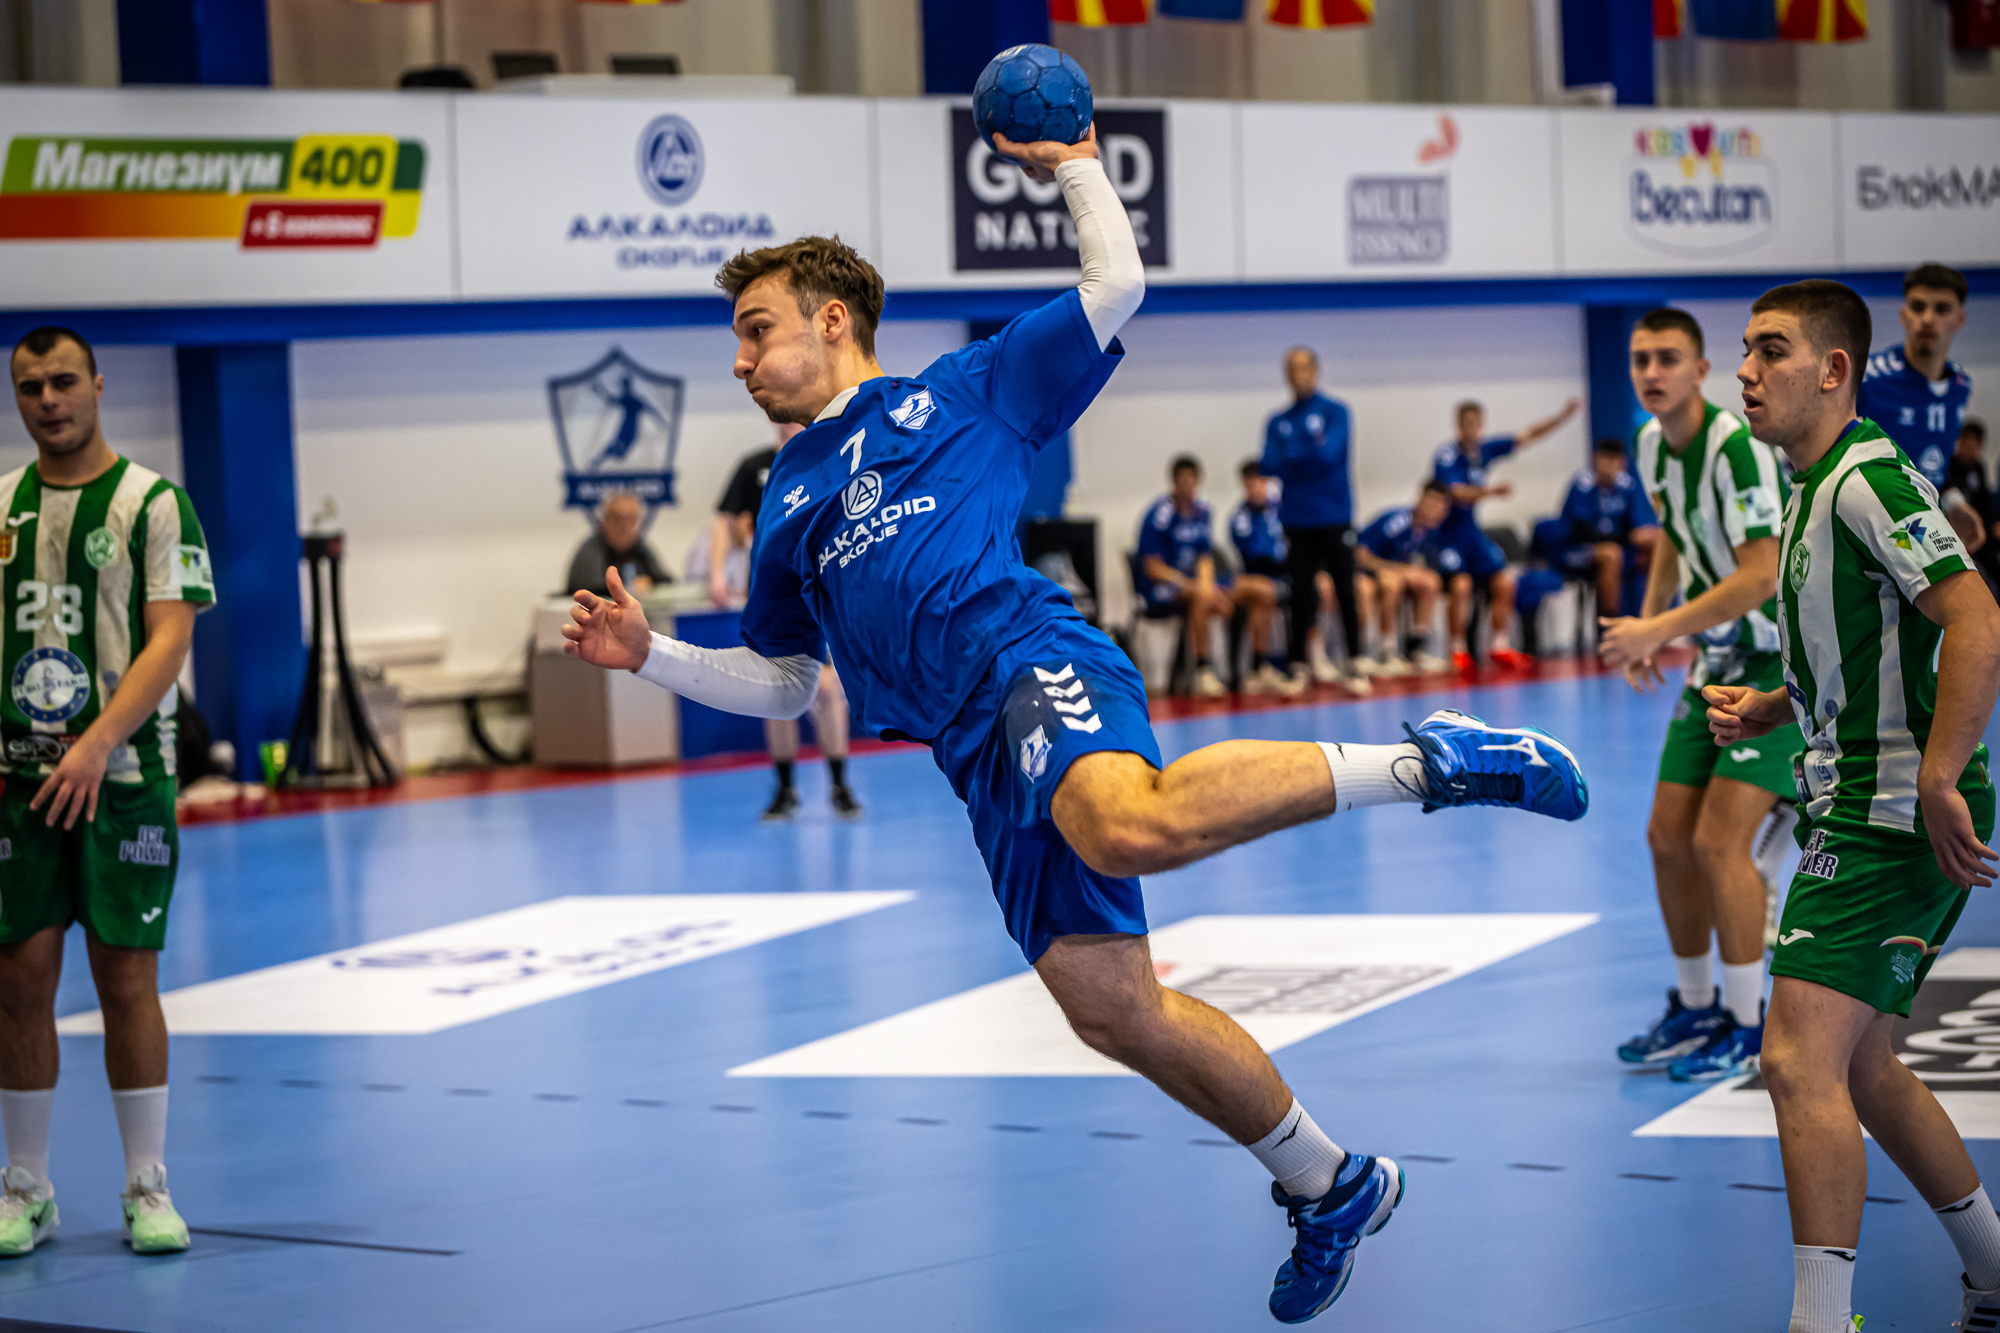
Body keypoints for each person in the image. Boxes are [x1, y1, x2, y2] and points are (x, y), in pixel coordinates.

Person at [561, 124, 1588, 1324]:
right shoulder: (785, 496)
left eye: (755, 329)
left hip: (1026, 657)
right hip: (969, 752)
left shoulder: (963, 391)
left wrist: (1075, 163)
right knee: (1112, 1010)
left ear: (831, 320)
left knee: (1121, 823)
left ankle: (1431, 760)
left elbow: (1115, 285)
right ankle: (1330, 1183)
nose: (738, 361)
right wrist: (651, 655)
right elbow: (789, 681)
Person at [1706, 279, 2000, 1333]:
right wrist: (1773, 703)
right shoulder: (1809, 484)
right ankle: (1993, 1274)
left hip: (1889, 812)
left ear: (1833, 370)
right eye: (1744, 350)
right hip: (1860, 800)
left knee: (1794, 1060)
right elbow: (1857, 642)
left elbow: (1974, 616)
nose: (1745, 371)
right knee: (1862, 1066)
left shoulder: (1865, 479)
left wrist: (1938, 777)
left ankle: (1820, 1321)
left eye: (1770, 350)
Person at [0, 326, 212, 1257]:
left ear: (96, 383)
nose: (48, 400)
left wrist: (94, 745)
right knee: (18, 980)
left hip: (124, 779)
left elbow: (171, 638)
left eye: (62, 381)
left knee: (127, 977)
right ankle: (26, 1186)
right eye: (29, 387)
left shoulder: (155, 503)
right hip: (17, 784)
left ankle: (146, 1184)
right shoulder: (1, 504)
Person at [1596, 307, 1793, 1082]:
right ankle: (1698, 1005)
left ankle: (1748, 1024)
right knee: (1666, 838)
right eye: (1641, 358)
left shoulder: (1735, 446)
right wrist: (1654, 620)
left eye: (1668, 358)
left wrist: (1656, 628)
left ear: (1701, 370)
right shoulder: (1651, 443)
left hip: (1775, 661)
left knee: (1719, 843)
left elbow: (1761, 575)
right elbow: (1676, 535)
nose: (1652, 372)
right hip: (1714, 659)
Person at [712, 426, 859, 821]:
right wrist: (717, 572)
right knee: (774, 693)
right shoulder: (756, 468)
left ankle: (839, 784)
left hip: (817, 596)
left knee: (828, 690)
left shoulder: (829, 458)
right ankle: (785, 788)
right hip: (770, 598)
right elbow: (726, 522)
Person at [1430, 397, 1579, 672]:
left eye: (1476, 423)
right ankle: (1457, 650)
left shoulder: (1484, 451)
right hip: (1447, 537)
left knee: (1504, 581)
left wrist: (1562, 417)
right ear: (1458, 426)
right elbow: (1455, 493)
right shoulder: (1447, 455)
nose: (1471, 429)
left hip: (1471, 533)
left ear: (1481, 425)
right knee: (1461, 587)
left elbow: (1527, 435)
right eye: (1466, 423)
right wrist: (1489, 492)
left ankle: (1499, 645)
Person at [1261, 347, 1367, 695]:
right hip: (1297, 518)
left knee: (1345, 589)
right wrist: (1308, 452)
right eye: (1291, 369)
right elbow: (1269, 464)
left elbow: (1329, 456)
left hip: (1334, 515)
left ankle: (1354, 660)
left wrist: (1294, 454)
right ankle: (1298, 664)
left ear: (1316, 370)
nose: (1298, 375)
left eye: (1303, 368)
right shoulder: (1278, 421)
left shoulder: (1336, 412)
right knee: (1300, 593)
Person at [1857, 263, 1977, 548]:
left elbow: (1935, 466)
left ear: (1960, 319)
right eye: (1918, 307)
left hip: (1918, 531)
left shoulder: (1960, 385)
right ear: (1904, 315)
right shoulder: (1866, 379)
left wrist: (1955, 503)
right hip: (1864, 532)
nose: (1927, 318)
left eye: (1941, 309)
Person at [1138, 455, 1233, 698]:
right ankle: (1202, 671)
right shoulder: (1160, 515)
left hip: (1194, 585)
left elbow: (1204, 557)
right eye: (1183, 481)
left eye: (1192, 481)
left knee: (1244, 591)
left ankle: (1252, 669)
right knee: (1202, 598)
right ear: (1173, 482)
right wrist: (1194, 586)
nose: (1188, 486)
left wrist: (1207, 585)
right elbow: (1153, 568)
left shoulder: (1203, 512)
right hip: (1162, 588)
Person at [1352, 482, 1452, 676]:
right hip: (1369, 572)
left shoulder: (1433, 532)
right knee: (1391, 583)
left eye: (1441, 505)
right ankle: (1385, 652)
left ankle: (1415, 649)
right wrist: (1394, 570)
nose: (1435, 509)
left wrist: (1411, 573)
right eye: (1432, 502)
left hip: (1399, 575)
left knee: (1431, 582)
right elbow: (1361, 553)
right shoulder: (1397, 521)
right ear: (1420, 499)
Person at [1554, 439, 1660, 617]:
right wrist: (1626, 536)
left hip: (1619, 545)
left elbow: (1640, 524)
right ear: (1596, 459)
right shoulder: (1582, 485)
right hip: (1579, 550)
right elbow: (1582, 530)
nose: (1611, 465)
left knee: (1657, 544)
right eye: (1607, 459)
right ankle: (1610, 623)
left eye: (1616, 460)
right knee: (1612, 554)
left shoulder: (1627, 486)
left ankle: (1653, 617)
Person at [1226, 459, 1303, 697]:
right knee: (1264, 592)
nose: (1258, 487)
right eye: (1252, 482)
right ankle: (1259, 666)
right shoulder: (1240, 518)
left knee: (1311, 587)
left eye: (1262, 481)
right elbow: (1258, 556)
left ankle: (1306, 661)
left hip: (1285, 576)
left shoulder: (1281, 509)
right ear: (1244, 485)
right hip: (1256, 577)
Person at [564, 491, 671, 598]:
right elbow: (591, 591)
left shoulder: (640, 548)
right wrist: (629, 588)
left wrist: (650, 583)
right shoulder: (591, 550)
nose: (624, 526)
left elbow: (665, 581)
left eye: (631, 519)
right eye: (618, 518)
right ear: (606, 520)